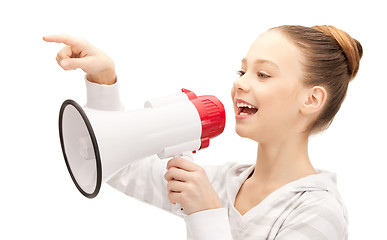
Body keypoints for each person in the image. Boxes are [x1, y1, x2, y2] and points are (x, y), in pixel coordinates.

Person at [43, 24, 362, 239]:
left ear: (311, 99)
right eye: (242, 70)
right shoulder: (222, 184)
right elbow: (115, 162)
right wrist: (103, 80)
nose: (240, 82)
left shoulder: (318, 212)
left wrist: (207, 215)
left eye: (263, 74)